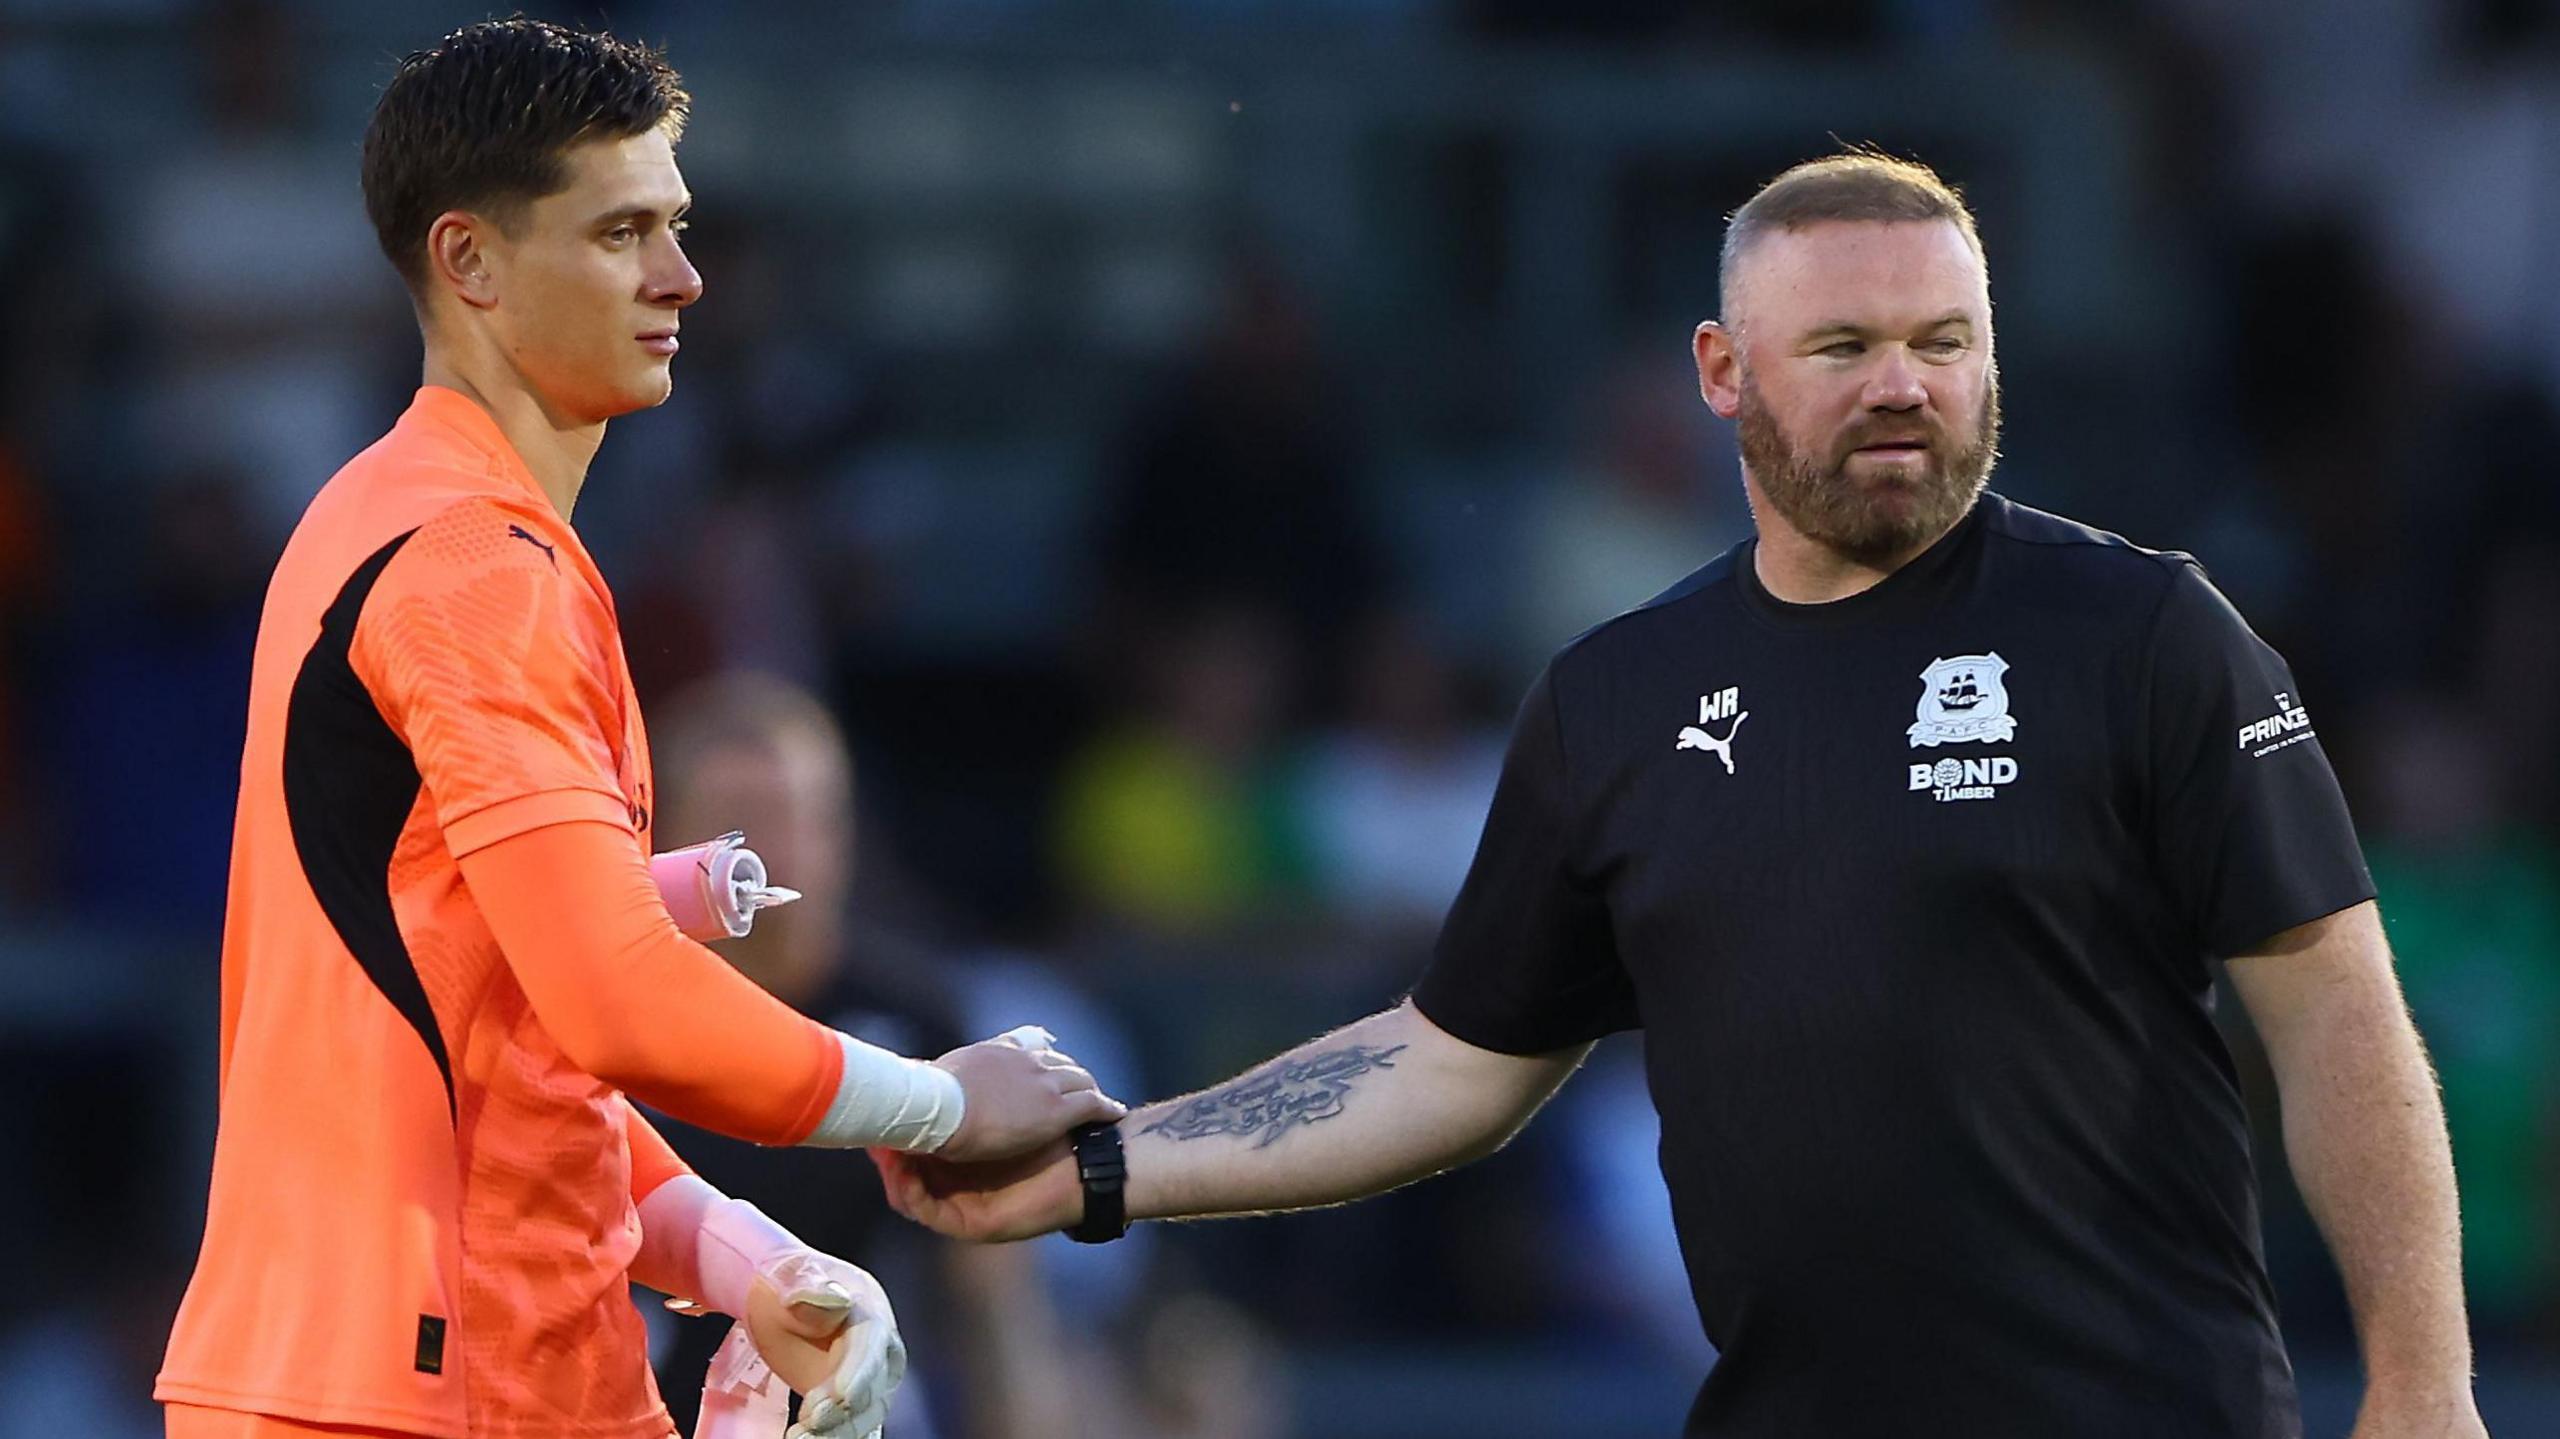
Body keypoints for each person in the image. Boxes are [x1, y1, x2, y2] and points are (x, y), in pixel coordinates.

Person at [875, 151, 2485, 1439]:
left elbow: (2336, 1002)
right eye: (1845, 347)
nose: (1904, 386)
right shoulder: (1619, 699)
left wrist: (2424, 1382)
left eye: (1944, 343)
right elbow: (1453, 1057)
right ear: (1722, 369)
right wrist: (1106, 1166)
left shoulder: (2148, 634)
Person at [154, 21, 1121, 1439]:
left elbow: (500, 1033)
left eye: (675, 225)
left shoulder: (377, 512)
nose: (683, 277)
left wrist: (738, 1251)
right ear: (470, 261)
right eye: (621, 233)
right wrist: (939, 1100)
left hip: (370, 1367)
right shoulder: (481, 564)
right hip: (447, 1382)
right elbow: (613, 997)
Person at [639, 671, 1080, 1439]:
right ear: (672, 836)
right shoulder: (613, 1021)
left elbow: (991, 1296)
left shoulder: (919, 1019)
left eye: (798, 817)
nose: (772, 852)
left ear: (842, 833)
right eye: (740, 822)